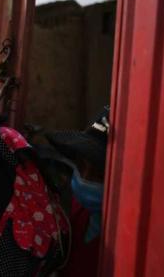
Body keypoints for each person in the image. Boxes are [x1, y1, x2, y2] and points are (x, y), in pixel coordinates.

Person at [45, 106, 110, 277]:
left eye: (99, 174)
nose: (85, 179)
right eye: (81, 166)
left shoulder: (125, 236)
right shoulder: (76, 208)